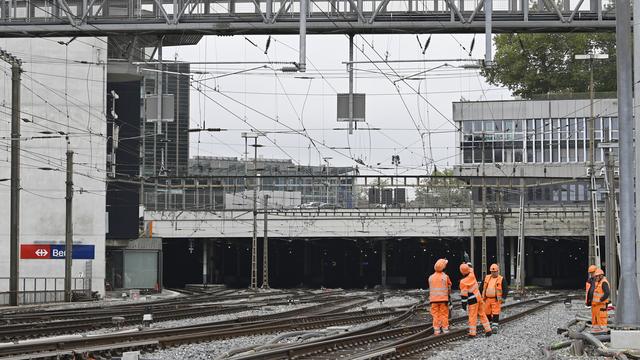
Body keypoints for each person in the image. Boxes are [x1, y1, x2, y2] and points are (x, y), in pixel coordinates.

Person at [459, 263, 492, 337]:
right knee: (482, 314)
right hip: (479, 298)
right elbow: (470, 268)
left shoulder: (463, 282)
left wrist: (463, 306)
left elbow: (464, 295)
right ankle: (488, 330)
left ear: (462, 272)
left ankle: (472, 333)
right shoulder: (472, 274)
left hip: (472, 300)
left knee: (472, 316)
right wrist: (467, 263)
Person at [482, 263, 508, 333]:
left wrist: (503, 298)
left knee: (495, 313)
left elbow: (505, 289)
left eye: (494, 271)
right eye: (492, 272)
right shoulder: (486, 278)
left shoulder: (501, 279)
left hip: (496, 299)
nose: (493, 273)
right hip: (487, 299)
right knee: (486, 312)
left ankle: (495, 327)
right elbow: (481, 287)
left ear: (498, 271)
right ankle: (490, 325)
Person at [428, 258, 452, 335]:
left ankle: (437, 330)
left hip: (433, 300)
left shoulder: (430, 277)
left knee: (435, 315)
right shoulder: (445, 277)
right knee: (444, 314)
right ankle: (445, 329)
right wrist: (448, 296)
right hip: (443, 300)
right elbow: (449, 288)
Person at [587, 269, 610, 334]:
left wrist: (600, 300)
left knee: (601, 319)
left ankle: (603, 332)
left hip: (601, 305)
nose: (595, 278)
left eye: (597, 276)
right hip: (596, 305)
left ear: (601, 276)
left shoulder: (604, 282)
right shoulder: (598, 282)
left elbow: (607, 293)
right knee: (595, 319)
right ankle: (596, 331)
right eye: (595, 276)